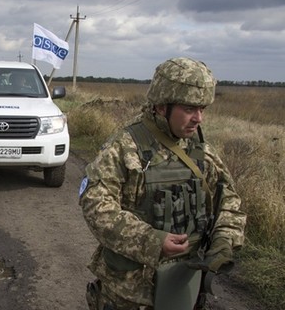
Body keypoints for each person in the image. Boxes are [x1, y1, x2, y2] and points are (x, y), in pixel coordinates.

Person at [78, 57, 246, 310]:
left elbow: (229, 200)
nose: (198, 118)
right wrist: (152, 241)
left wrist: (224, 239)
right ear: (161, 106)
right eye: (189, 109)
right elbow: (96, 206)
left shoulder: (200, 150)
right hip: (130, 291)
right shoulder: (124, 148)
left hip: (185, 284)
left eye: (202, 109)